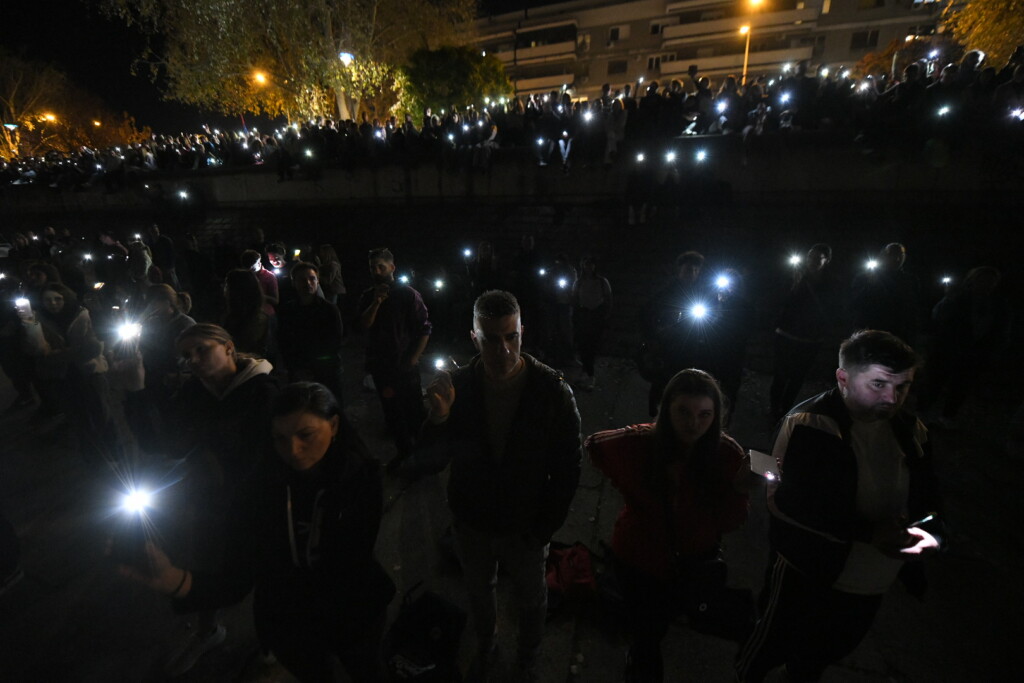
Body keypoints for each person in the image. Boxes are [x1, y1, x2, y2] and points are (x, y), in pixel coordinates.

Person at [117, 383, 395, 682]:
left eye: (306, 435)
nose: (293, 450)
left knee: (368, 671)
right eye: (280, 439)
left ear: (334, 425)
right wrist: (177, 581)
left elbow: (350, 561)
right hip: (288, 625)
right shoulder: (259, 490)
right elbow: (239, 573)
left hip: (354, 615)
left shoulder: (359, 477)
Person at [736, 330, 943, 682]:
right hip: (808, 572)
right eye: (878, 384)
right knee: (768, 650)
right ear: (843, 378)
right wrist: (869, 532)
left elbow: (929, 496)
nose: (892, 398)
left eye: (903, 386)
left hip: (872, 582)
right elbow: (789, 501)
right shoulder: (812, 423)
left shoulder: (911, 429)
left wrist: (929, 534)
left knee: (823, 655)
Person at [418, 290, 581, 682]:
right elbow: (429, 462)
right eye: (491, 339)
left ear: (523, 331)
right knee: (479, 594)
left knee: (531, 600)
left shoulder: (551, 390)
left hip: (525, 525)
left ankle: (527, 658)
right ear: (474, 338)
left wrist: (543, 528)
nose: (503, 349)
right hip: (472, 522)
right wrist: (438, 419)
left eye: (511, 336)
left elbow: (568, 468)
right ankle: (487, 648)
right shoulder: (458, 387)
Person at [587, 369, 749, 682]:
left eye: (704, 415)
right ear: (666, 409)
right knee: (646, 635)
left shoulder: (726, 454)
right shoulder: (641, 442)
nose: (693, 424)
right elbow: (595, 445)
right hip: (638, 558)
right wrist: (631, 488)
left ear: (716, 416)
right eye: (684, 412)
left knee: (663, 619)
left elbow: (731, 521)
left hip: (691, 561)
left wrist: (740, 490)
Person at [160, 323, 277, 676]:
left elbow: (265, 453)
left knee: (267, 574)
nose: (194, 360)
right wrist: (136, 392)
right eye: (186, 355)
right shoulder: (193, 392)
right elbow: (169, 441)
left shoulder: (265, 390)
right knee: (208, 564)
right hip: (211, 501)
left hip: (257, 501)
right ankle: (208, 630)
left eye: (202, 349)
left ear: (228, 347)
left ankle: (271, 639)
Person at [358, 247, 431, 471]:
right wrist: (376, 302)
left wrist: (412, 359)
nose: (377, 271)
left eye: (381, 267)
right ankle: (404, 452)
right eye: (373, 268)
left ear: (392, 267)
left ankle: (423, 457)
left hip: (404, 365)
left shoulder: (407, 294)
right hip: (381, 366)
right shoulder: (368, 296)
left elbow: (424, 329)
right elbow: (363, 325)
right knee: (392, 412)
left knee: (414, 411)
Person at [769, 244, 835, 420]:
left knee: (797, 378)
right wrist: (793, 285)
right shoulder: (794, 276)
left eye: (817, 258)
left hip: (811, 339)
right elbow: (779, 301)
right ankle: (774, 410)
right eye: (810, 257)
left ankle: (785, 410)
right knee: (780, 375)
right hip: (787, 334)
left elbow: (833, 309)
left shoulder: (830, 284)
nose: (812, 261)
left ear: (826, 260)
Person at [640, 251, 707, 415]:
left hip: (691, 348)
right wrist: (653, 337)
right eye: (688, 269)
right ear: (680, 270)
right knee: (662, 383)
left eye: (695, 270)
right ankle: (656, 417)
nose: (692, 273)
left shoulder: (702, 294)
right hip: (667, 347)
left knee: (686, 385)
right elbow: (646, 313)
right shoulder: (666, 293)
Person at [278, 262, 344, 403]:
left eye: (312, 278)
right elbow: (284, 341)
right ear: (294, 283)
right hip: (299, 370)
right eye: (302, 279)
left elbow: (335, 340)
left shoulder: (329, 309)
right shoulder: (287, 311)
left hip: (326, 370)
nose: (308, 283)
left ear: (317, 281)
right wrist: (295, 367)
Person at [571, 255, 612, 391]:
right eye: (586, 264)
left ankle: (590, 374)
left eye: (591, 264)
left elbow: (608, 298)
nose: (588, 267)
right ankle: (586, 371)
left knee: (592, 344)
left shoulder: (602, 281)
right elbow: (575, 299)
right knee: (583, 344)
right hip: (583, 315)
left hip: (596, 315)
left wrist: (605, 314)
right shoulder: (579, 282)